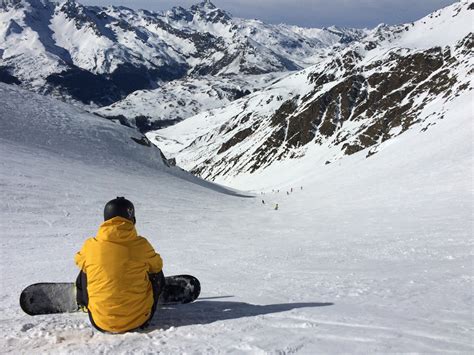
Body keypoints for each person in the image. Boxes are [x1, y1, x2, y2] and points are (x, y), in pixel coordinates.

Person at [75, 197, 165, 333]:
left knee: (85, 268)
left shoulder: (90, 245)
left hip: (100, 321)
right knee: (155, 271)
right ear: (132, 220)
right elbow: (157, 266)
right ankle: (154, 297)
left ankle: (83, 303)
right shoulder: (141, 245)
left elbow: (78, 260)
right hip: (140, 319)